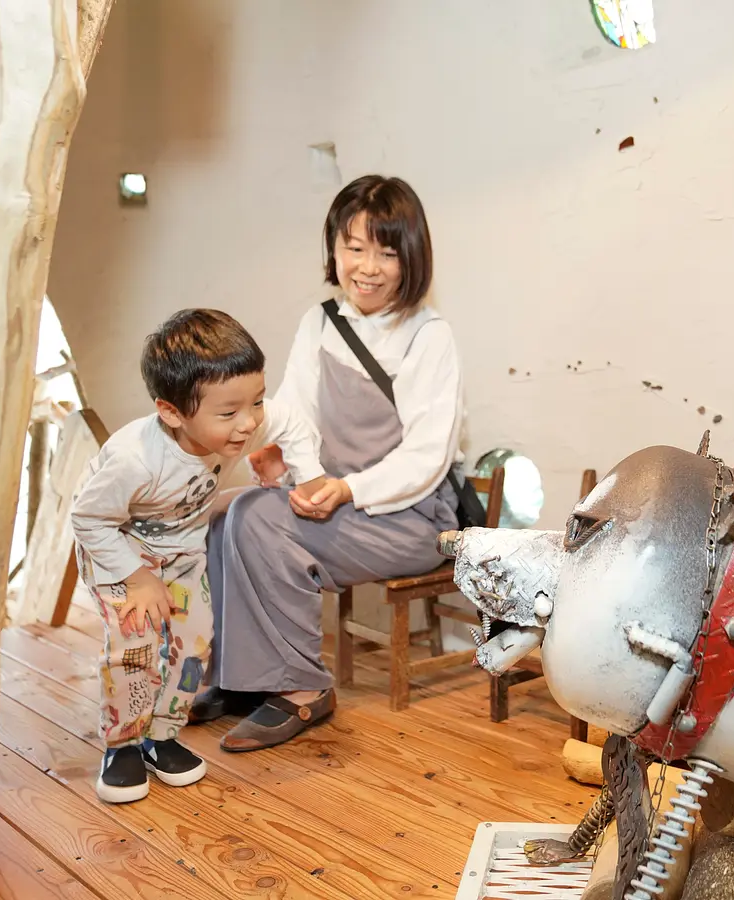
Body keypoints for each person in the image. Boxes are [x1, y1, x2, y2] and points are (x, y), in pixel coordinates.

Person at [192, 174, 466, 752]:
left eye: (387, 252)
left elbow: (427, 456)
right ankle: (238, 679)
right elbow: (294, 411)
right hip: (341, 500)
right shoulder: (321, 321)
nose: (367, 266)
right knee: (228, 516)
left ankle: (300, 688)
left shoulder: (429, 336)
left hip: (412, 518)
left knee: (259, 521)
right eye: (354, 247)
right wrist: (275, 452)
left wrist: (345, 488)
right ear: (334, 249)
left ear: (410, 257)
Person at [71, 308, 315, 804]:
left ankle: (161, 734)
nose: (249, 424)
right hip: (120, 551)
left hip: (182, 552)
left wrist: (307, 474)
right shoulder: (133, 459)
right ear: (171, 412)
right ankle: (122, 746)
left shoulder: (240, 423)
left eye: (256, 403)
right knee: (134, 648)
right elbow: (89, 519)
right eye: (229, 413)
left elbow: (289, 420)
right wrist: (137, 578)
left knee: (194, 644)